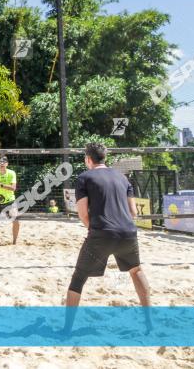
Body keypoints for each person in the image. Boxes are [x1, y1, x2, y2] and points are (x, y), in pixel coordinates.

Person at [64, 143, 151, 334]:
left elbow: (83, 215)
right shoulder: (122, 178)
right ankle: (149, 324)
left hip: (101, 233)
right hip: (128, 232)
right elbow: (134, 212)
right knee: (136, 271)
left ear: (88, 159)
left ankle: (66, 330)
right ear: (105, 158)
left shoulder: (84, 178)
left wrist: (97, 231)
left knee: (78, 278)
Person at [0, 156, 19, 246]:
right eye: (0, 162)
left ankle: (14, 242)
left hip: (9, 200)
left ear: (7, 164)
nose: (2, 163)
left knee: (16, 221)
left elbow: (13, 188)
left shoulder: (11, 173)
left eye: (4, 162)